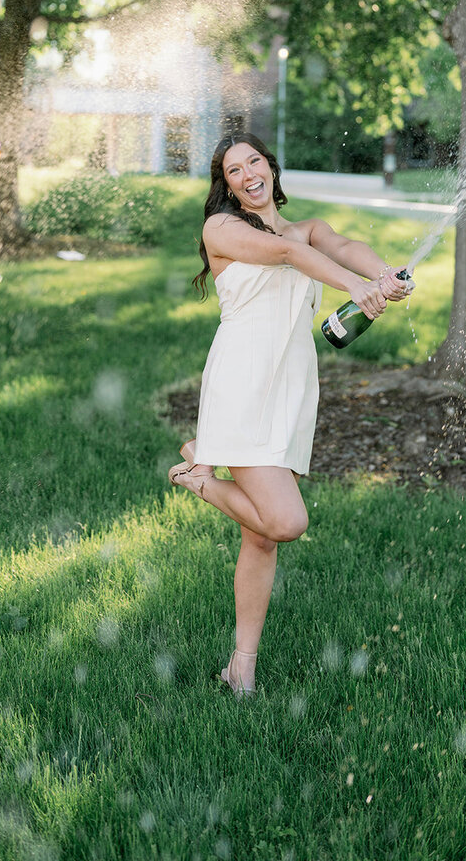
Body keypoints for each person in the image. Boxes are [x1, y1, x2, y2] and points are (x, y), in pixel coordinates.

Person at [168, 133, 411, 695]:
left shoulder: (307, 229)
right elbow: (284, 254)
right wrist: (357, 287)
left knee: (261, 539)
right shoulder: (222, 230)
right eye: (234, 170)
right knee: (285, 521)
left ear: (270, 167)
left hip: (293, 390)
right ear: (225, 184)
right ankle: (196, 475)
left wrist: (385, 276)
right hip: (242, 386)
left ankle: (240, 667)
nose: (248, 173)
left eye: (254, 160)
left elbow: (345, 245)